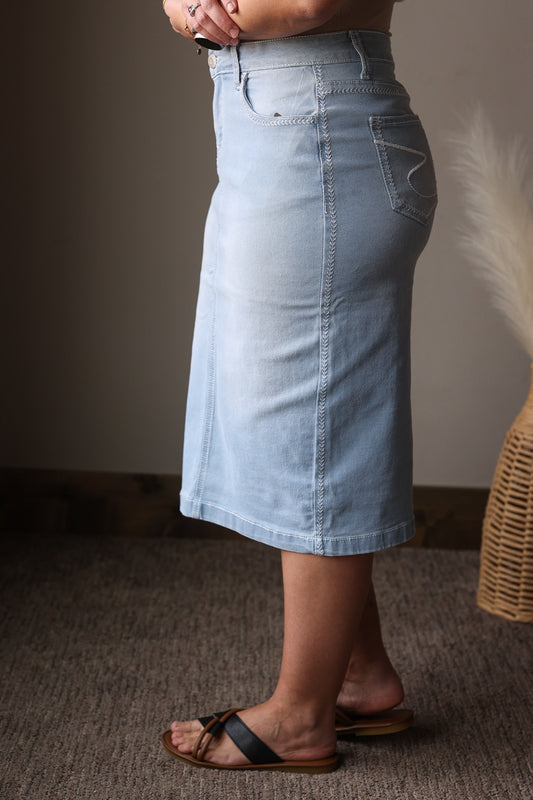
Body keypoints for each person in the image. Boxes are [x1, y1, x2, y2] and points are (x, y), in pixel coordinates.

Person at [161, 0, 437, 773]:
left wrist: (220, 13)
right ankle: (361, 675)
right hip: (276, 133)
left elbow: (308, 4)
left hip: (320, 139)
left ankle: (299, 718)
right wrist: (190, 9)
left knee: (316, 435)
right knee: (302, 427)